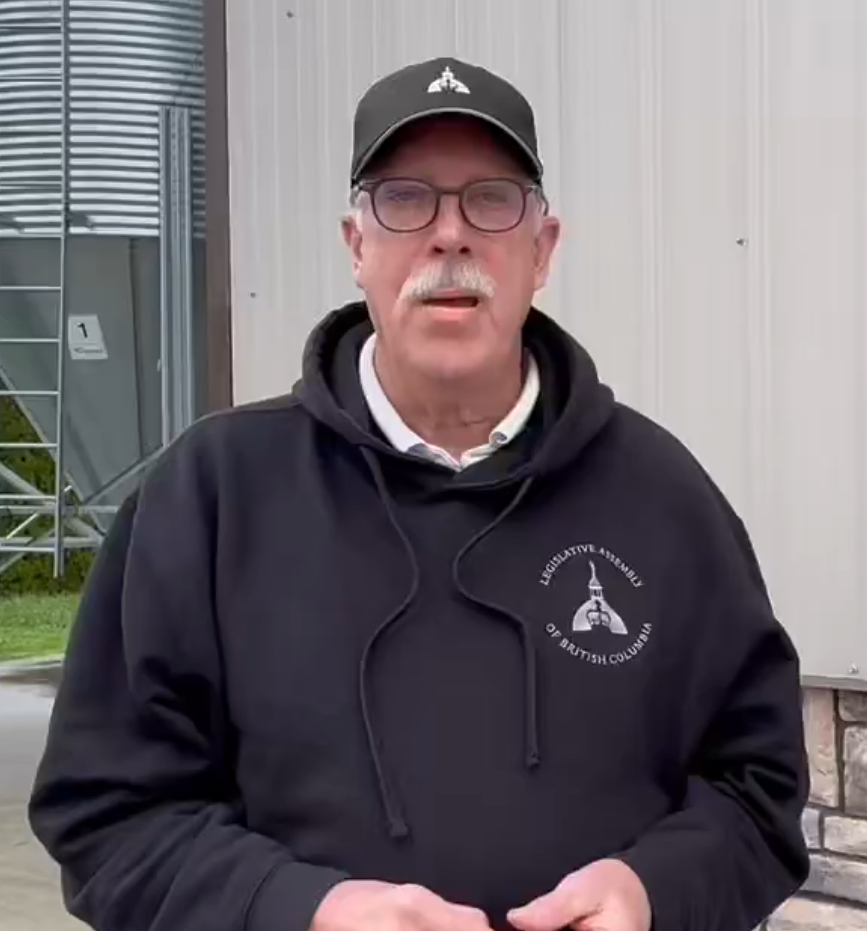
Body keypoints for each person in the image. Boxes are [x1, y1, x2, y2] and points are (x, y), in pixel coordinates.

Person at [27, 56, 811, 931]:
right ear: (356, 245)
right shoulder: (210, 499)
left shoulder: (666, 500)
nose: (449, 236)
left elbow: (759, 790)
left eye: (491, 199)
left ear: (541, 249)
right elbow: (106, 817)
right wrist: (301, 910)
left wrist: (653, 892)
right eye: (405, 199)